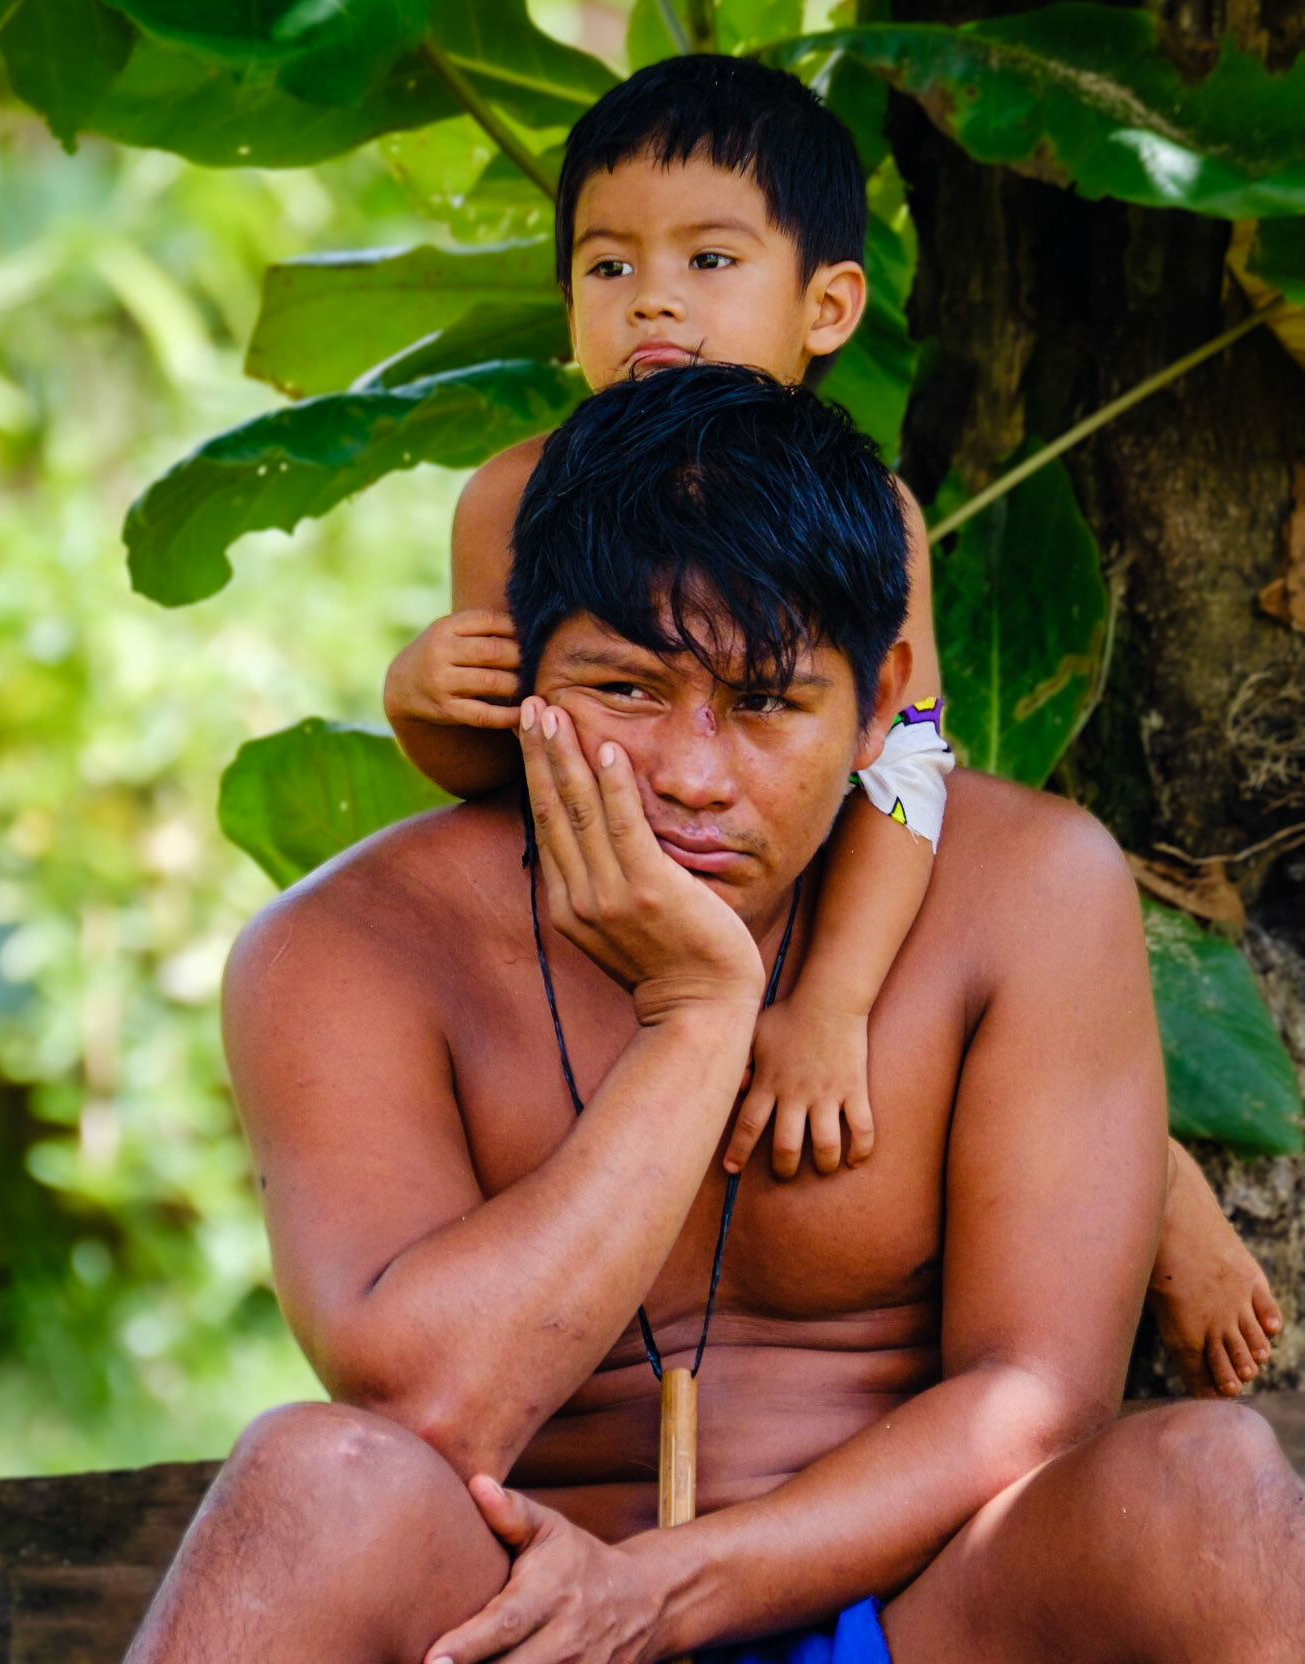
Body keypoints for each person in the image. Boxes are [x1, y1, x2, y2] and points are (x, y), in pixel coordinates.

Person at [127, 368, 1304, 1664]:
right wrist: (697, 1018)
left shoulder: (1024, 894)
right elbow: (431, 1408)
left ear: (879, 698)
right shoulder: (352, 947)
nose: (692, 775)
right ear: (524, 667)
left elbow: (1035, 1401)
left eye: (764, 704)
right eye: (623, 692)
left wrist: (662, 1591)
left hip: (908, 1620)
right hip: (511, 1620)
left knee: (1213, 1488)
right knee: (315, 1482)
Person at [380, 55, 1282, 1402]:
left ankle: (1142, 1171)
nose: (656, 299)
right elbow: (507, 780)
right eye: (609, 266)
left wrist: (836, 1007)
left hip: (841, 881)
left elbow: (909, 759)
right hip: (622, 902)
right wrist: (420, 703)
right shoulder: (513, 504)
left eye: (710, 259)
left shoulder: (869, 523)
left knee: (997, 894)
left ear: (827, 307)